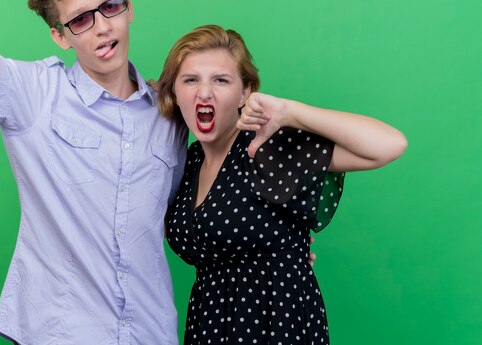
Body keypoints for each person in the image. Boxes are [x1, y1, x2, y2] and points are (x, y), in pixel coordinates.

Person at [0, 0, 191, 345]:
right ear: (60, 36)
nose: (103, 27)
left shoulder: (171, 117)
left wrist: (272, 244)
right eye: (81, 20)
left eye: (109, 7)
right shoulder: (37, 95)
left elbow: (189, 211)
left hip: (150, 333)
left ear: (129, 9)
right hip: (62, 333)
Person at [157, 25, 407, 344]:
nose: (204, 92)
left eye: (220, 80)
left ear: (245, 92)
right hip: (210, 326)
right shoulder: (189, 161)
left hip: (275, 326)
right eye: (191, 80)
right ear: (175, 92)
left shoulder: (266, 147)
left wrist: (291, 112)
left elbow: (389, 144)